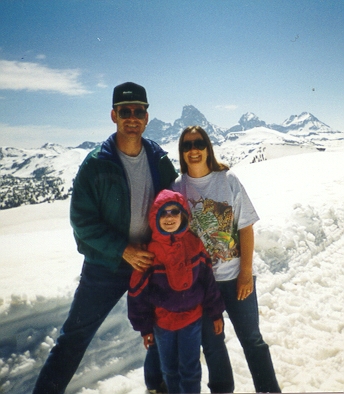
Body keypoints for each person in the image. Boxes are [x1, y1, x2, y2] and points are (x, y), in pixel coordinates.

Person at [32, 82, 177, 394]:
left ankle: (159, 386)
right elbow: (82, 221)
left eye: (139, 111)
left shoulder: (159, 160)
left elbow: (177, 206)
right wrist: (123, 249)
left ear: (147, 116)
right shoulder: (96, 164)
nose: (132, 117)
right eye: (125, 111)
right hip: (105, 267)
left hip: (151, 261)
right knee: (74, 337)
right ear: (114, 115)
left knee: (164, 326)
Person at [171, 126, 281, 393]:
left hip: (234, 278)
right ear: (182, 152)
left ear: (208, 147)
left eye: (199, 143)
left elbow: (245, 227)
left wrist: (245, 273)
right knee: (212, 345)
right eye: (187, 146)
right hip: (202, 284)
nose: (193, 150)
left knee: (252, 339)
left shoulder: (228, 179)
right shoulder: (178, 187)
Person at [128, 189, 225, 394]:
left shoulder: (194, 244)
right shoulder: (150, 251)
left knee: (190, 368)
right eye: (163, 213)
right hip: (163, 323)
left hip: (192, 320)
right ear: (155, 218)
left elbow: (208, 281)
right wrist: (145, 328)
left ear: (183, 215)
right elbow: (137, 293)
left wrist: (216, 313)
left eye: (174, 212)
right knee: (170, 369)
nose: (169, 218)